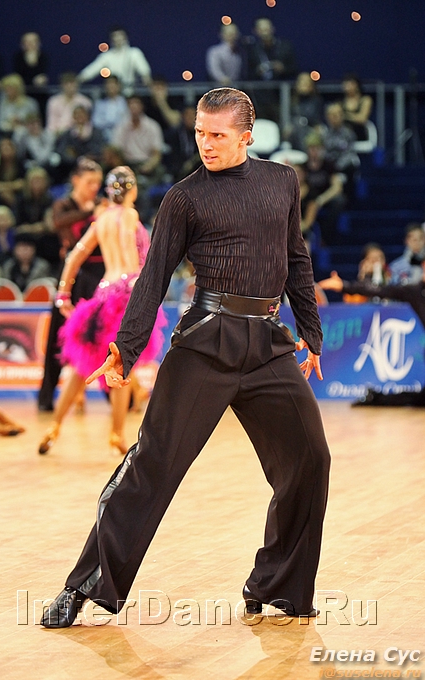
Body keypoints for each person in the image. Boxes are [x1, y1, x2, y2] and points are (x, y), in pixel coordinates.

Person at [40, 88, 330, 629]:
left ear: (247, 135)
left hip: (268, 345)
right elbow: (153, 278)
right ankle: (82, 586)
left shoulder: (282, 182)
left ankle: (278, 584)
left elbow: (296, 257)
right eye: (199, 132)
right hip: (206, 342)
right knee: (152, 466)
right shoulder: (184, 197)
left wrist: (311, 333)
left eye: (217, 134)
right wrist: (126, 349)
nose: (206, 144)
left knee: (310, 459)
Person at [38, 166, 164, 456]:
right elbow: (136, 256)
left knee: (81, 366)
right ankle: (116, 433)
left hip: (101, 297)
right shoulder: (129, 216)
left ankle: (54, 426)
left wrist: (63, 294)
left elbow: (74, 257)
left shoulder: (101, 219)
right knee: (122, 365)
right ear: (132, 190)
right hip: (126, 297)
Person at [37, 158, 105, 412]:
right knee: (57, 336)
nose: (94, 187)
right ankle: (46, 397)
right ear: (75, 180)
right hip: (71, 275)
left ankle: (120, 398)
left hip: (98, 275)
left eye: (97, 182)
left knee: (101, 334)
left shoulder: (102, 205)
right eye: (89, 182)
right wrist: (92, 212)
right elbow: (59, 223)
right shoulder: (64, 205)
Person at [318, 266, 425, 406]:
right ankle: (375, 398)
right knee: (420, 400)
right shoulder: (416, 291)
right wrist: (345, 286)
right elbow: (381, 290)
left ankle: (376, 398)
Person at [78, 27, 151, 95]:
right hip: (113, 94)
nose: (118, 38)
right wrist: (79, 79)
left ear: (125, 37)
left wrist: (146, 77)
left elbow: (143, 69)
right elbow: (92, 69)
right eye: (115, 36)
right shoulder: (107, 56)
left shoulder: (134, 53)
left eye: (120, 35)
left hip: (130, 93)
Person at [45, 72, 92, 138]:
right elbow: (51, 124)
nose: (69, 86)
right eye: (66, 84)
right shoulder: (53, 101)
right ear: (62, 85)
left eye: (72, 83)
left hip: (78, 135)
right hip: (57, 135)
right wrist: (57, 132)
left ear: (77, 84)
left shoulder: (85, 102)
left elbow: (87, 124)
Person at [92, 75, 128, 142]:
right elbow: (96, 122)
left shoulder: (125, 103)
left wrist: (108, 123)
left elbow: (126, 121)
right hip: (103, 137)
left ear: (118, 86)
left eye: (113, 84)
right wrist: (110, 123)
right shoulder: (100, 104)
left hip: (122, 137)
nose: (110, 86)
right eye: (108, 84)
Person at [341, 74, 373, 142]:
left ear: (356, 85)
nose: (346, 87)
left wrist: (345, 116)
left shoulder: (365, 100)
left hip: (359, 133)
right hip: (342, 136)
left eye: (350, 84)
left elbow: (362, 119)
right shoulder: (340, 102)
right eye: (345, 85)